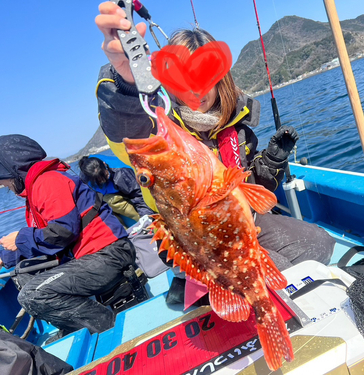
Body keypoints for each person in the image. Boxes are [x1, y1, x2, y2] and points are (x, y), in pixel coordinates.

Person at [94, 1, 335, 271]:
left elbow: (252, 188)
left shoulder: (236, 126)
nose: (197, 89)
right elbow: (126, 133)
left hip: (240, 217)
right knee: (270, 273)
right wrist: (128, 81)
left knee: (319, 244)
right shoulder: (159, 130)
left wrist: (271, 163)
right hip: (195, 234)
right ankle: (194, 281)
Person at [0, 134, 136, 336]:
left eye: (5, 180)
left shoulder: (47, 182)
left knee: (32, 295)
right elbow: (46, 239)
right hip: (94, 255)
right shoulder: (39, 185)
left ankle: (109, 329)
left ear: (14, 171)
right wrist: (5, 258)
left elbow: (62, 233)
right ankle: (75, 325)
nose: (6, 186)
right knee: (23, 273)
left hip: (109, 253)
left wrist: (20, 238)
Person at [78, 156, 154, 225]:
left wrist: (147, 216)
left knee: (111, 201)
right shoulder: (86, 181)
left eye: (104, 175)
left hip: (126, 195)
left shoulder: (121, 174)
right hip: (108, 196)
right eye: (99, 180)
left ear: (104, 164)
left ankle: (141, 221)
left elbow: (138, 195)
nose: (103, 180)